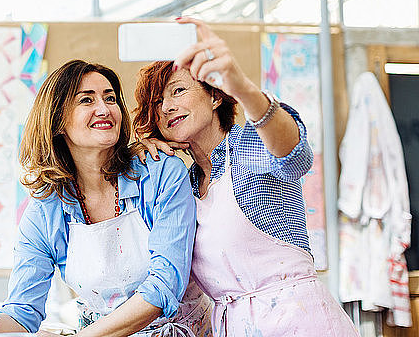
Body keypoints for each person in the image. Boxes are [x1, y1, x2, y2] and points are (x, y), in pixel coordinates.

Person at [0, 60, 213, 336]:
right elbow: (22, 315)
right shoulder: (45, 211)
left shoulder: (160, 172)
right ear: (57, 120)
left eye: (110, 98)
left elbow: (164, 286)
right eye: (86, 100)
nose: (104, 109)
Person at [133, 17, 359, 336]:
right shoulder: (182, 184)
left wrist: (239, 85)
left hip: (301, 322)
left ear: (215, 96)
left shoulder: (247, 144)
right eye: (156, 103)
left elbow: (296, 157)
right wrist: (135, 155)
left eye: (178, 91)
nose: (166, 107)